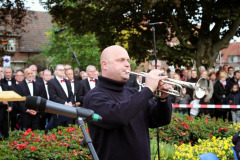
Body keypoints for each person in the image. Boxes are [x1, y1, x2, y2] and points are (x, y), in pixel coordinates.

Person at [83, 45, 172, 160]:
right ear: (105, 65)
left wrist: (163, 98)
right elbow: (118, 117)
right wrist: (148, 89)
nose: (127, 64)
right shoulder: (94, 97)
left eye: (128, 60)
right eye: (121, 60)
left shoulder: (133, 93)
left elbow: (161, 119)